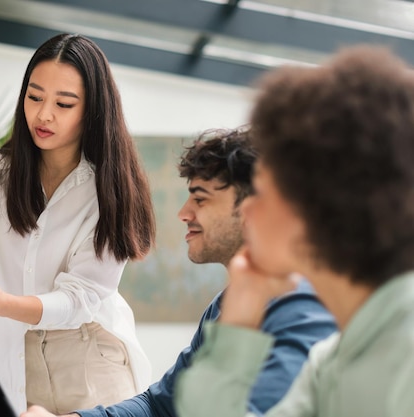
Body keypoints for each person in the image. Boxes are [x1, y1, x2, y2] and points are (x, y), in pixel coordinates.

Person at [0, 33, 156, 415]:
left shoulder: (108, 188)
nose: (44, 115)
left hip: (88, 358)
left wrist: (2, 304)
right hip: (12, 362)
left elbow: (80, 299)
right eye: (35, 96)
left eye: (64, 103)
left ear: (92, 111)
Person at [22, 128, 336, 417]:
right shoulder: (223, 307)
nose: (184, 213)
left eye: (200, 198)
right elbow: (161, 404)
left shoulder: (305, 306)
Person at [175, 46, 414, 417]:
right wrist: (239, 322)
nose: (249, 208)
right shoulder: (330, 360)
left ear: (320, 203)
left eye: (265, 192)